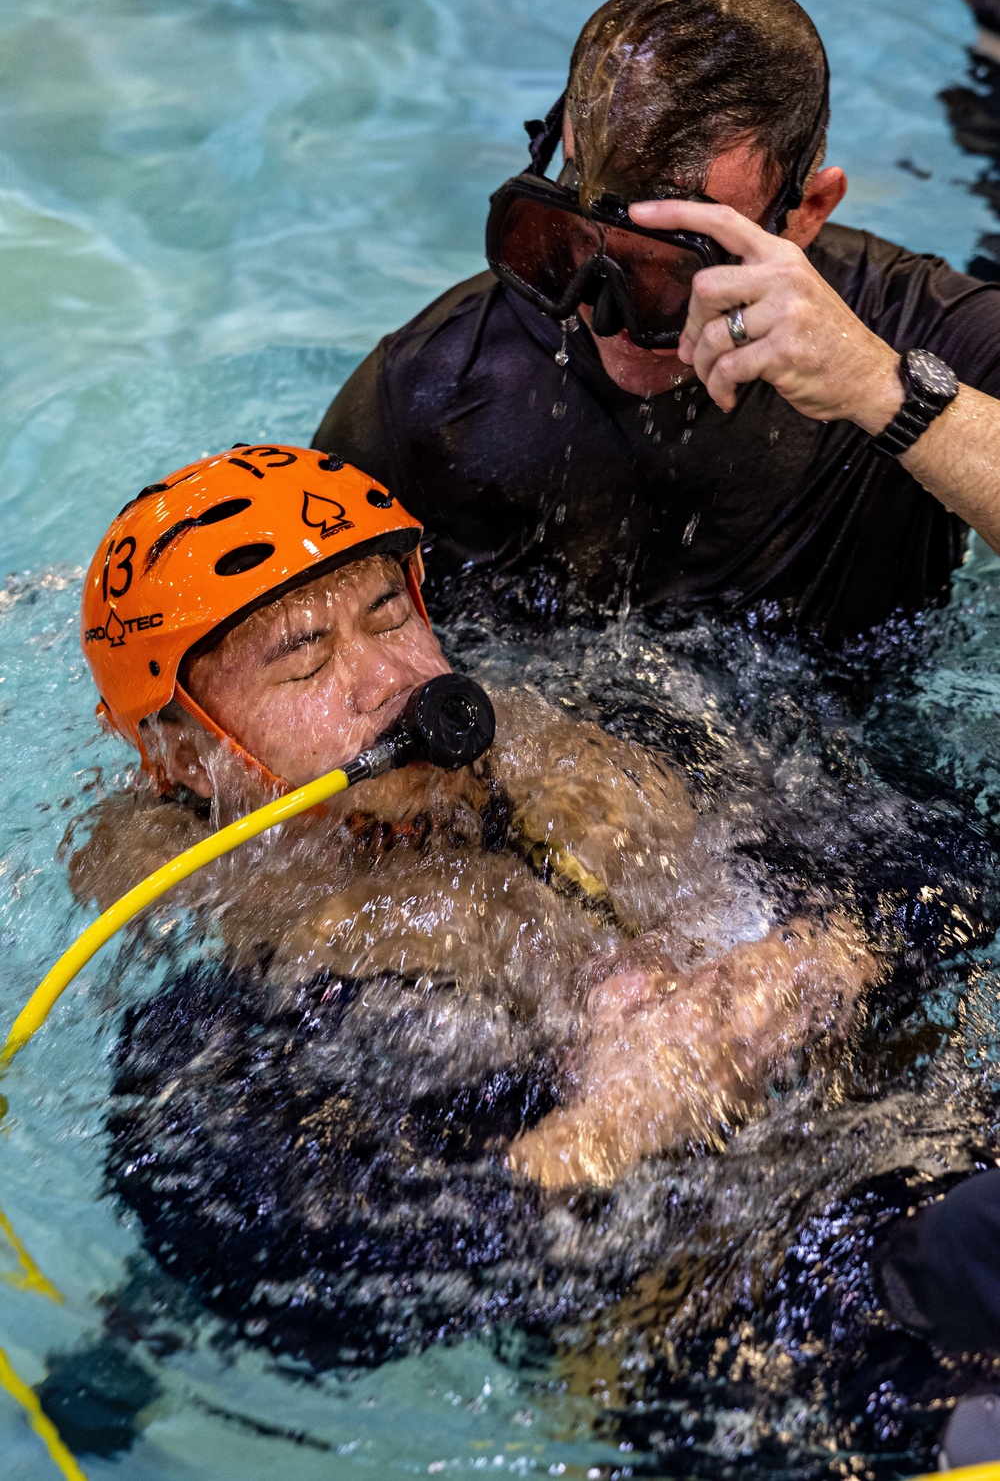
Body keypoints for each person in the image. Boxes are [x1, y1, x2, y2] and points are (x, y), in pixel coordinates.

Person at [69, 443, 872, 1360]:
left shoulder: (583, 758)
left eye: (390, 614)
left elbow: (909, 856)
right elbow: (297, 1283)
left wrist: (830, 952)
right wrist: (614, 1125)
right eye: (303, 661)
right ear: (181, 757)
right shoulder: (237, 1001)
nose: (392, 679)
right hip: (679, 1331)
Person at [313, 0, 1000, 641]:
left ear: (806, 213)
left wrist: (881, 390)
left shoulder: (908, 325)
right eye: (579, 242)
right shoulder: (428, 391)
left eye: (673, 276)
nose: (609, 316)